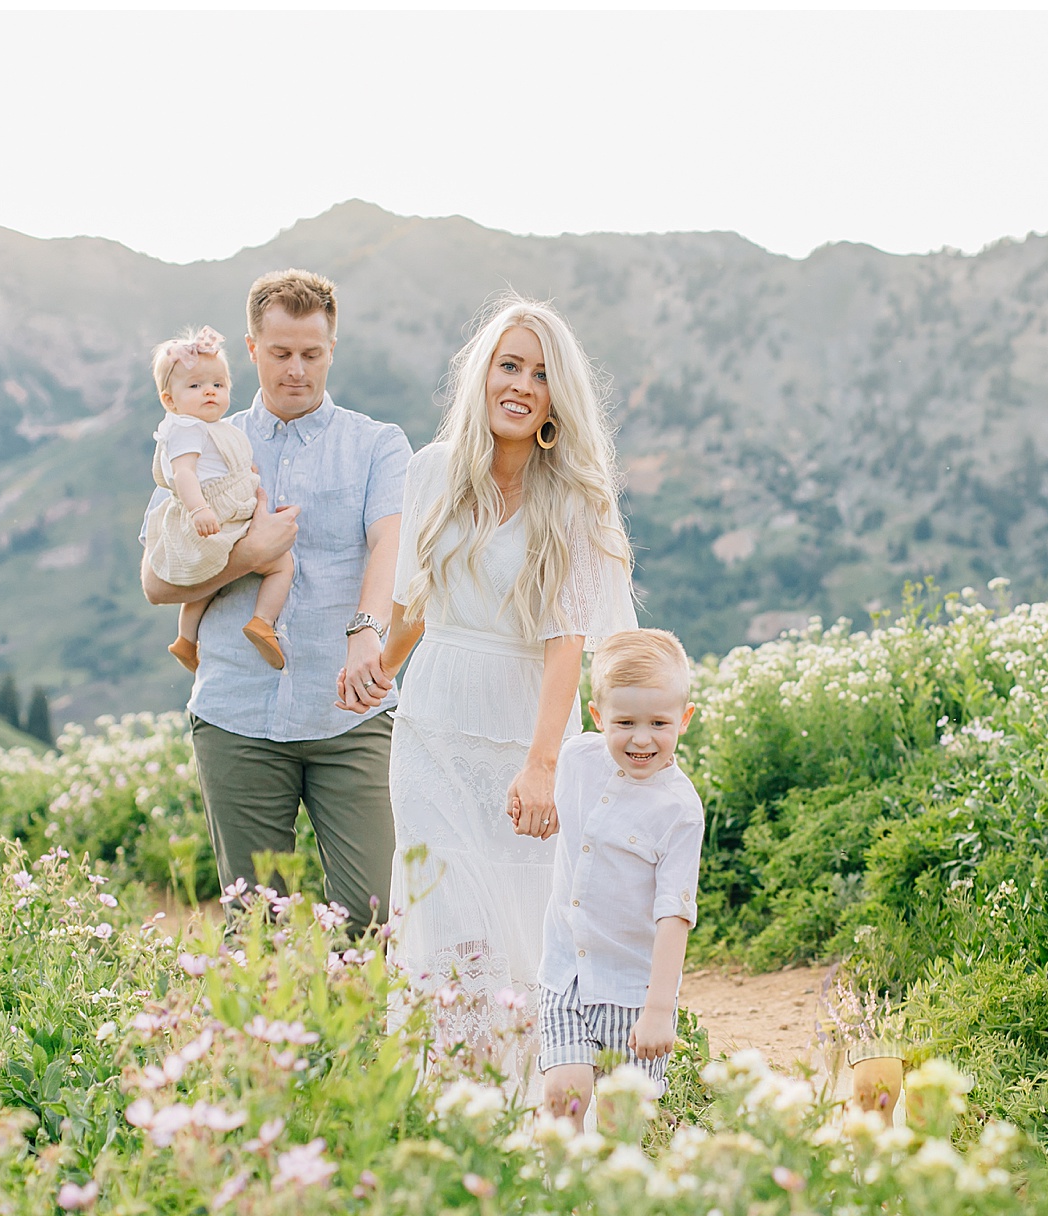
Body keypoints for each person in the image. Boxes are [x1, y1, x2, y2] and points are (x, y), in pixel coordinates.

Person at [340, 294, 637, 1095]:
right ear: (484, 375)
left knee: (523, 925)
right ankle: (454, 1100)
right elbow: (414, 602)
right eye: (509, 365)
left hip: (521, 736)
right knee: (447, 919)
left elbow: (567, 643)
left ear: (555, 397)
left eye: (541, 375)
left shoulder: (571, 497)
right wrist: (378, 667)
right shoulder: (432, 469)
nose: (522, 385)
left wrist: (544, 766)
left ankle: (528, 1102)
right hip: (431, 728)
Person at [140, 270, 411, 934]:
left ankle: (357, 1041)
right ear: (252, 349)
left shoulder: (378, 445)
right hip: (237, 716)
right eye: (281, 352)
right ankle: (266, 1044)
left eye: (311, 354)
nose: (296, 369)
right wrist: (250, 558)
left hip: (352, 718)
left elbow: (389, 547)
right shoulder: (200, 439)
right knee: (255, 930)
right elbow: (157, 580)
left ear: (331, 349)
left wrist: (366, 630)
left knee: (370, 920)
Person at [537, 629, 703, 1116]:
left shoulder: (679, 810)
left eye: (659, 723)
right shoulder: (575, 760)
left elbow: (674, 914)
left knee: (620, 1119)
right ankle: (560, 1190)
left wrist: (658, 1011)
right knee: (563, 1097)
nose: (642, 738)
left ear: (684, 719)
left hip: (633, 990)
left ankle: (610, 1191)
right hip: (566, 970)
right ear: (597, 716)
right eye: (625, 721)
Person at [142, 325, 294, 672]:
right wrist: (199, 509)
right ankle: (263, 622)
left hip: (226, 511)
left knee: (203, 581)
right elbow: (184, 474)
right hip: (215, 516)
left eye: (218, 385)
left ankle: (185, 639)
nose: (209, 392)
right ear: (170, 400)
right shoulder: (185, 429)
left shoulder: (217, 429)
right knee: (282, 563)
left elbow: (228, 463)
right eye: (195, 386)